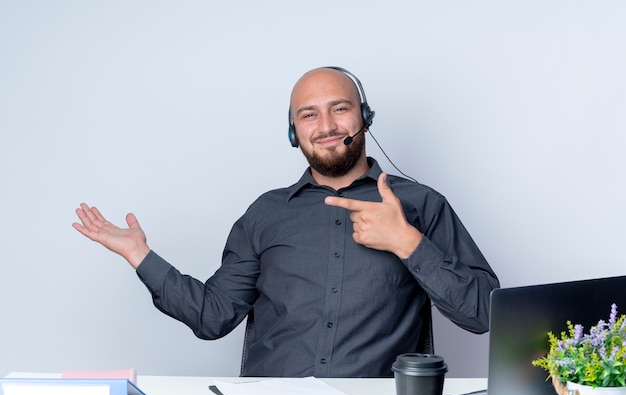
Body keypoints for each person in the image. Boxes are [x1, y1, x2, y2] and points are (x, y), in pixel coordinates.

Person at [73, 66, 499, 378]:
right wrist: (139, 254)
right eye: (309, 115)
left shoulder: (421, 204)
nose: (327, 126)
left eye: (340, 109)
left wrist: (407, 242)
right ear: (294, 132)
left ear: (364, 118)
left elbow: (484, 314)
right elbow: (212, 317)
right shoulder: (266, 213)